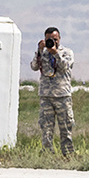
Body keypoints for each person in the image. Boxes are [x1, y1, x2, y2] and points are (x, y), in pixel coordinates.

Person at [31, 27, 75, 156]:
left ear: (59, 39)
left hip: (62, 95)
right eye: (49, 39)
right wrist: (39, 51)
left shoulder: (66, 52)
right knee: (46, 129)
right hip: (46, 96)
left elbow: (65, 67)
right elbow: (34, 67)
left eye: (55, 39)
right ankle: (47, 155)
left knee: (66, 128)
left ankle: (68, 155)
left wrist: (55, 52)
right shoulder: (43, 53)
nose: (52, 42)